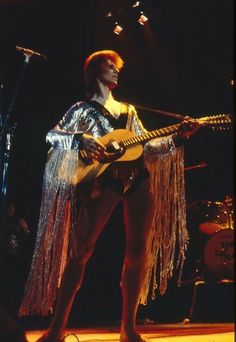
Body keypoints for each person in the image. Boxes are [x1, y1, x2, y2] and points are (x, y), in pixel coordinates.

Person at [19, 50, 199, 342]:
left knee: (138, 251)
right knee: (81, 251)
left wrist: (180, 136)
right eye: (109, 65)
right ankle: (56, 329)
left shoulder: (129, 111)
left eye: (117, 66)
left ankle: (128, 328)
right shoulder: (82, 109)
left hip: (137, 178)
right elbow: (51, 136)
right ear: (94, 71)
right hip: (102, 181)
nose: (116, 70)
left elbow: (149, 147)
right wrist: (81, 140)